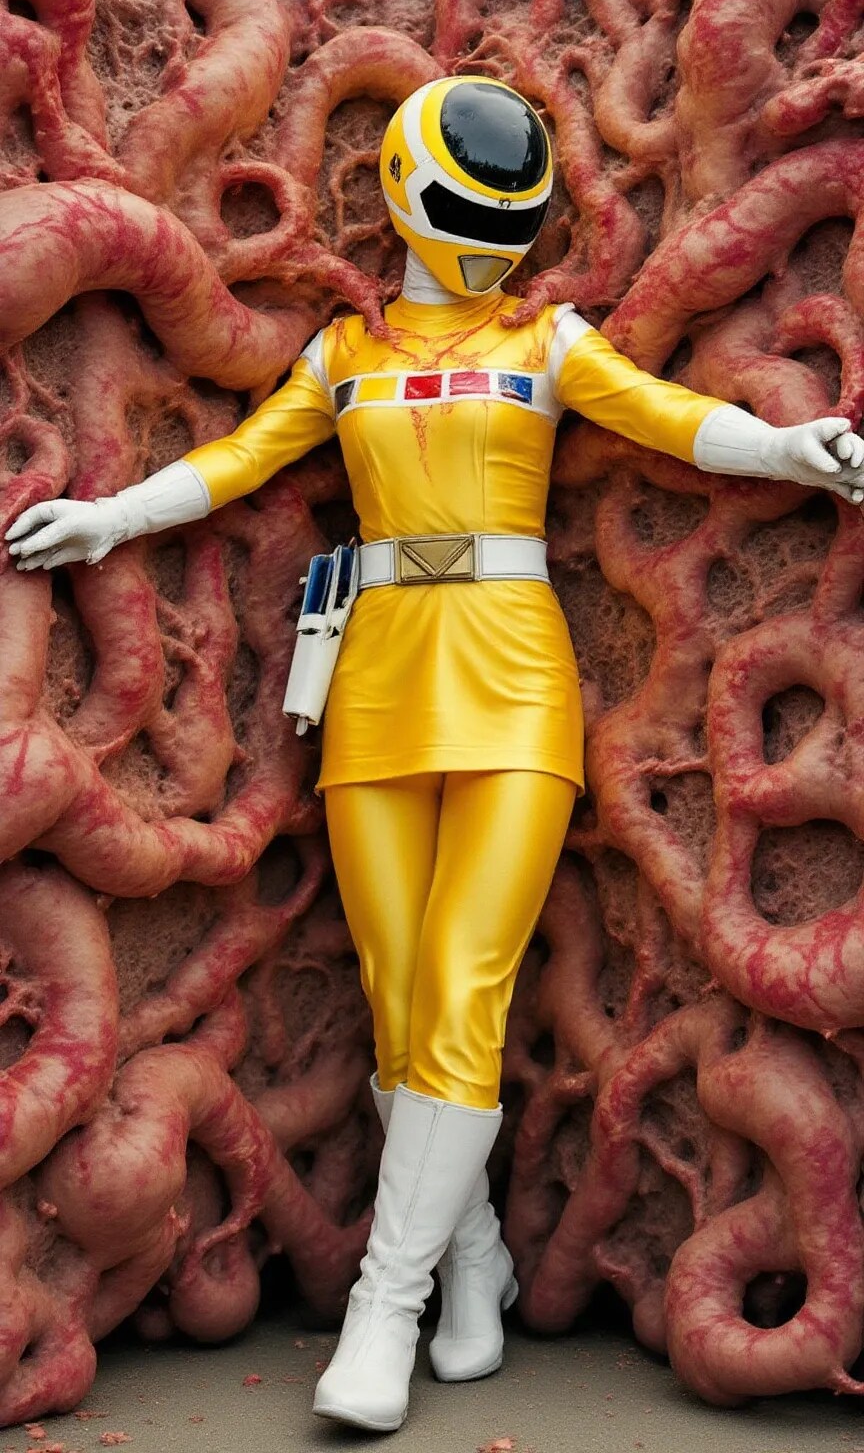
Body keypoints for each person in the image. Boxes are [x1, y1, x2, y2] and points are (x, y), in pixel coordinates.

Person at [6, 76, 864, 1435]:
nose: (483, 244)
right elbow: (241, 459)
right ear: (408, 195)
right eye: (465, 215)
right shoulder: (345, 354)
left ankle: (384, 1309)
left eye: (504, 224)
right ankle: (475, 1262)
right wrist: (110, 519)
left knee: (465, 983)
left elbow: (665, 413)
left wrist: (792, 449)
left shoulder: (550, 340)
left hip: (516, 682)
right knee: (401, 995)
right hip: (377, 685)